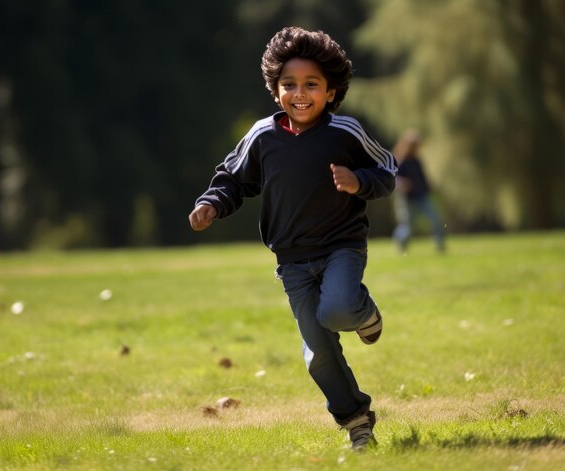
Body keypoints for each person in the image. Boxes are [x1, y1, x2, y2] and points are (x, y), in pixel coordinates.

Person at [188, 27, 397, 450]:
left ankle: (364, 312)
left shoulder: (345, 132)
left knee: (337, 309)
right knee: (318, 354)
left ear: (331, 91)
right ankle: (357, 422)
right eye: (289, 85)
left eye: (311, 85)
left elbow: (388, 169)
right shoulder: (263, 135)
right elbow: (232, 179)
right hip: (293, 262)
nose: (299, 94)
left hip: (342, 247)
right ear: (275, 89)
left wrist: (358, 181)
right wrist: (212, 203)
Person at [392, 130, 445, 253]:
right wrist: (402, 183)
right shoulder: (400, 162)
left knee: (435, 219)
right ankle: (399, 243)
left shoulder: (417, 161)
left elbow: (423, 178)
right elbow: (393, 179)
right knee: (407, 228)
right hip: (408, 200)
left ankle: (440, 246)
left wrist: (430, 187)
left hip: (422, 197)